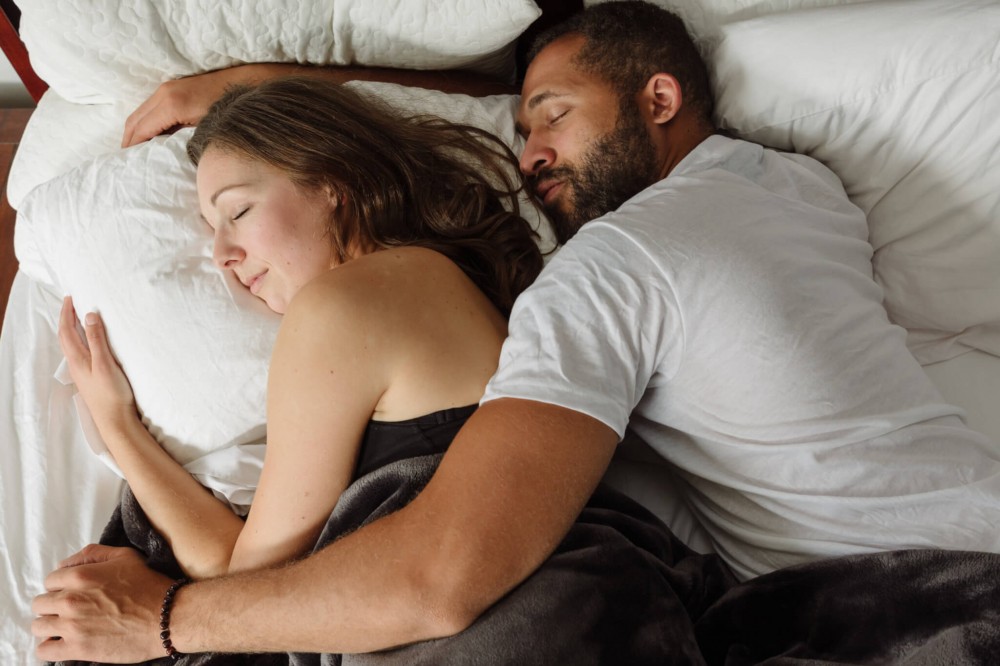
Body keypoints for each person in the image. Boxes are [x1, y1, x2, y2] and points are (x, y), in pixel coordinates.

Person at [32, 1, 1000, 662]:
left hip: (911, 613)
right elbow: (487, 109)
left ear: (659, 101)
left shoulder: (611, 275)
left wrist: (160, 620)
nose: (530, 155)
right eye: (524, 129)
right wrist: (264, 92)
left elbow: (444, 577)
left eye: (552, 120)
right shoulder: (801, 187)